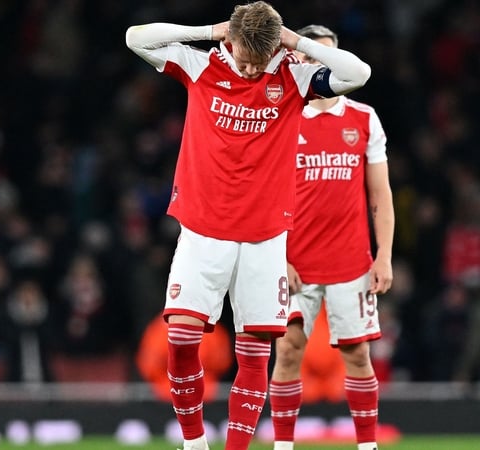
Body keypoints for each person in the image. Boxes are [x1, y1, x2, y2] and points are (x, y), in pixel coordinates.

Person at [125, 2, 371, 449]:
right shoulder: (200, 64)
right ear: (230, 41)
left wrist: (293, 40)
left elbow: (359, 74)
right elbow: (135, 37)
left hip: (265, 238)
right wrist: (212, 29)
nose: (253, 69)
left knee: (254, 354)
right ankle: (195, 442)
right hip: (203, 230)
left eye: (260, 61)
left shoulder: (292, 76)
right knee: (181, 340)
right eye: (244, 58)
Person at [268, 24, 394, 450]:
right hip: (294, 261)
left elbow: (380, 194)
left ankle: (367, 446)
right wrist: (278, 256)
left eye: (329, 56)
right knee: (288, 351)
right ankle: (283, 446)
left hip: (350, 261)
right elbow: (265, 194)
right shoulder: (284, 115)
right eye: (312, 56)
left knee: (357, 356)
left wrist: (385, 256)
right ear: (301, 60)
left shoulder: (364, 118)